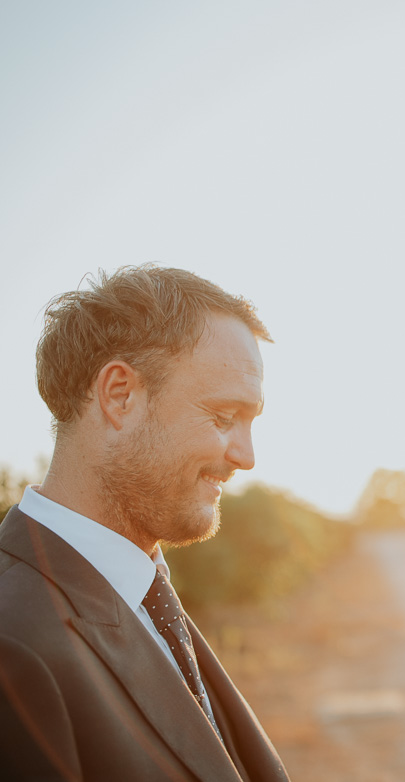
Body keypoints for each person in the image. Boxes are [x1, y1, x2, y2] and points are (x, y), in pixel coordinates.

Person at [0, 266, 290, 781]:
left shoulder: (146, 597)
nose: (246, 456)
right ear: (119, 395)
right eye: (224, 417)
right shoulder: (13, 643)